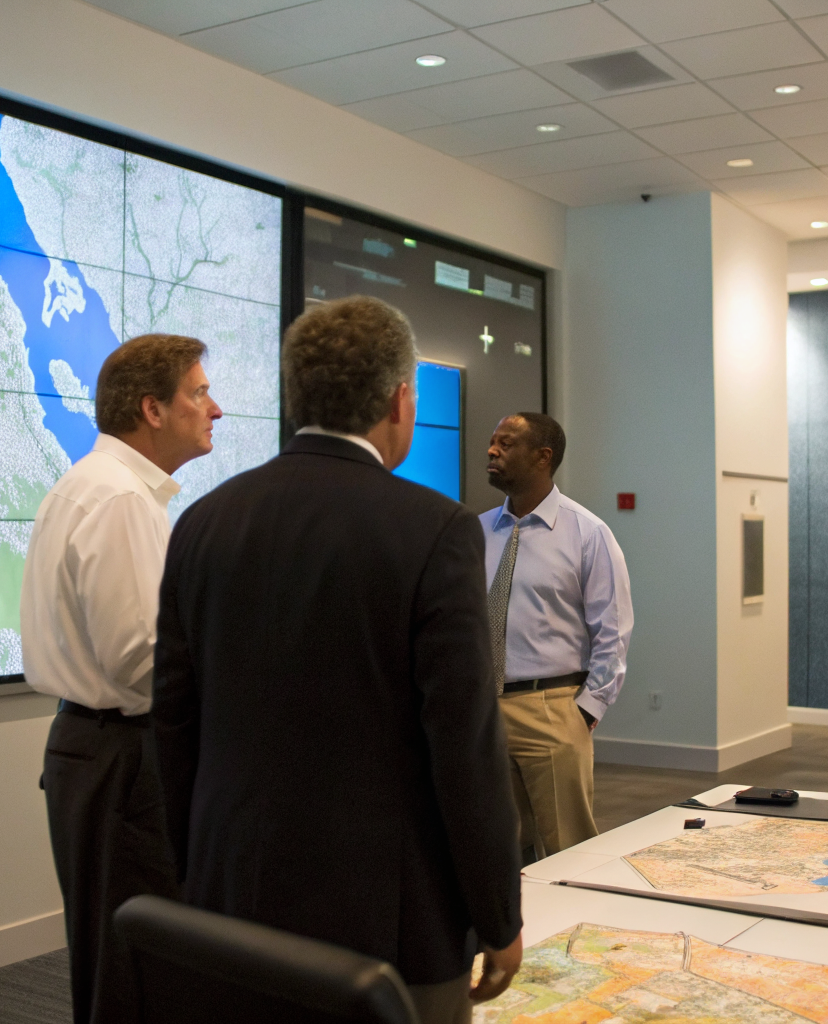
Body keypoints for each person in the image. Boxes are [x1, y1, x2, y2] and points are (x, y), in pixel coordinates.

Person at [153, 296, 522, 1024]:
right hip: (385, 921)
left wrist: (198, 874)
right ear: (398, 400)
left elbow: (173, 728)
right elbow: (464, 746)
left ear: (297, 395)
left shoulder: (202, 522)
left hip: (234, 896)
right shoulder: (436, 529)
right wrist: (498, 915)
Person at [20, 334, 222, 1024]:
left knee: (114, 961)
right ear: (152, 409)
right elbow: (143, 666)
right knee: (139, 970)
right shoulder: (121, 501)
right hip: (127, 757)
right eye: (198, 392)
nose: (215, 408)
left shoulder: (92, 486)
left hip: (96, 750)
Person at [481, 413, 633, 861]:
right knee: (498, 853)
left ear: (543, 457)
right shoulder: (478, 531)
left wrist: (586, 710)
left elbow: (614, 630)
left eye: (505, 444)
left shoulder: (588, 533)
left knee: (570, 850)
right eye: (492, 442)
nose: (491, 451)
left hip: (551, 708)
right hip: (485, 712)